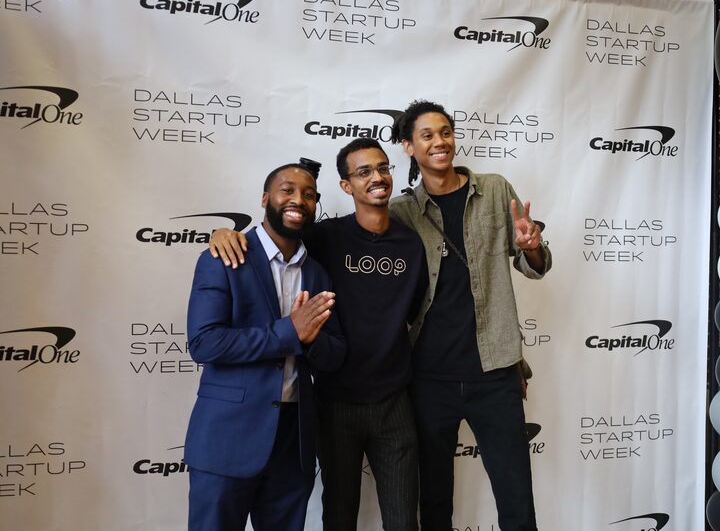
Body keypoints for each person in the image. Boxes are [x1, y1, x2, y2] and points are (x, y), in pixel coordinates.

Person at [209, 138, 427, 531]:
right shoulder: (323, 237)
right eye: (363, 172)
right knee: (338, 516)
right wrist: (224, 233)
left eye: (382, 168)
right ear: (346, 186)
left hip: (395, 401)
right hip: (335, 402)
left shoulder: (412, 242)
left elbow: (418, 313)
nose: (377, 178)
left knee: (403, 521)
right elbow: (276, 232)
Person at [388, 99, 552, 531]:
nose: (440, 142)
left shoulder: (496, 189)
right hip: (428, 378)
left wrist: (530, 244)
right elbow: (346, 240)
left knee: (516, 498)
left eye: (445, 132)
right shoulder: (402, 213)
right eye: (427, 135)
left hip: (495, 372)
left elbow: (534, 264)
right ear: (409, 147)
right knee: (434, 500)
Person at [184, 161, 346, 531]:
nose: (298, 200)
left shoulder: (318, 272)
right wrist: (289, 332)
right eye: (287, 190)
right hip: (227, 439)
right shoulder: (225, 257)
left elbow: (334, 354)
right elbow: (205, 343)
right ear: (265, 198)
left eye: (308, 195)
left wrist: (312, 337)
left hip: (293, 444)